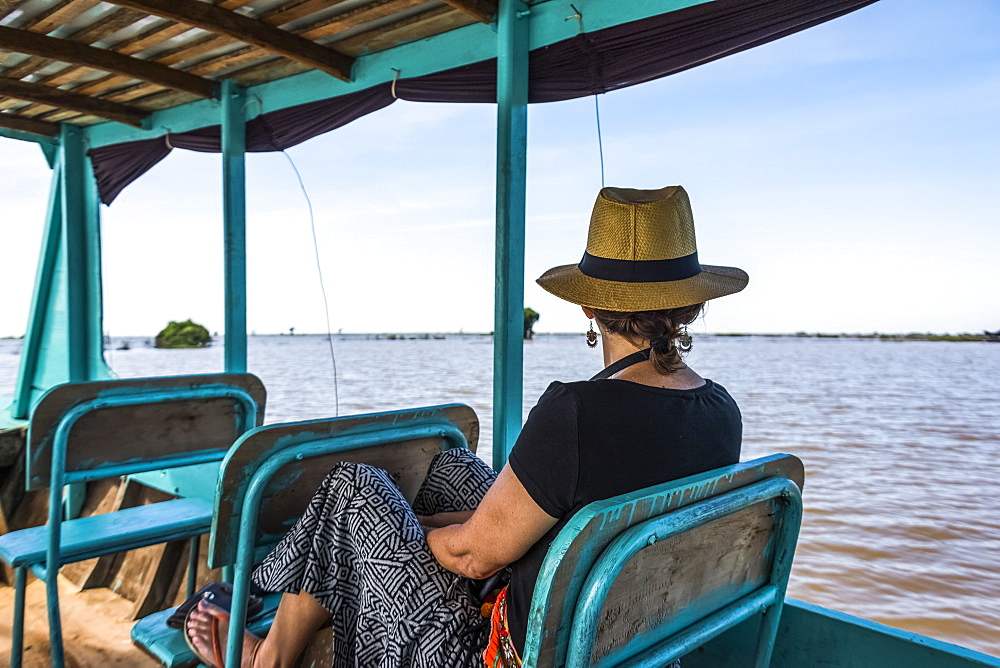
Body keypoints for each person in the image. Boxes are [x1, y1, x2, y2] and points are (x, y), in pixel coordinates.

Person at [185, 185, 748, 667]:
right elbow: (582, 511)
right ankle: (307, 579)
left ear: (588, 309)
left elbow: (473, 559)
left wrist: (399, 534)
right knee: (450, 468)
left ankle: (266, 654)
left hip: (506, 653)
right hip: (623, 638)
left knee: (352, 493)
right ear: (690, 307)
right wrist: (416, 526)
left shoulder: (575, 412)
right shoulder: (722, 413)